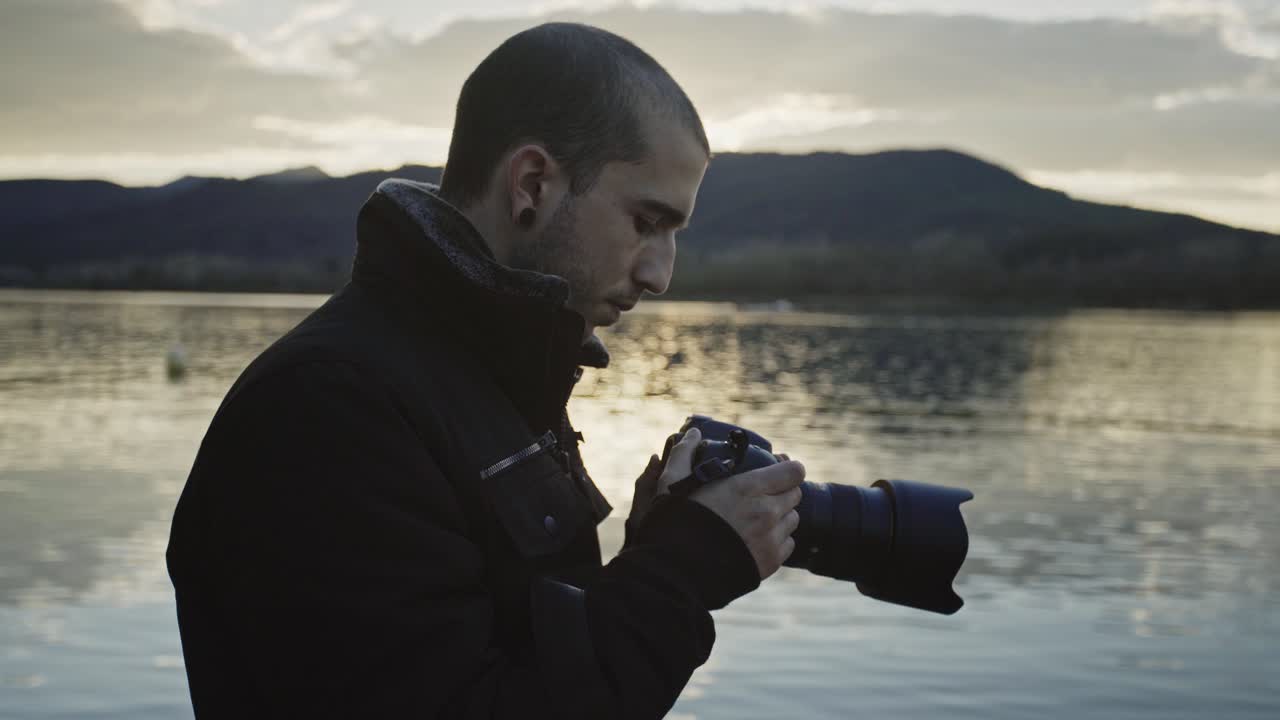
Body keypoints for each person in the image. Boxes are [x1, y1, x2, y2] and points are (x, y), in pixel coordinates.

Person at [166, 22, 805, 719]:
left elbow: (525, 666)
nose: (659, 275)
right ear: (532, 184)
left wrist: (652, 557)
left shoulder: (490, 375)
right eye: (646, 222)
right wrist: (677, 581)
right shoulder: (327, 408)